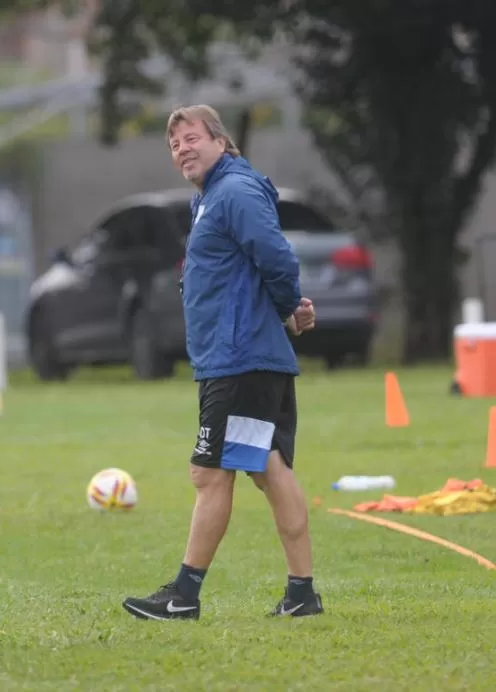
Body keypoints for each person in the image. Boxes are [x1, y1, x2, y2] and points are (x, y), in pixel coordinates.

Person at [122, 105, 323, 622]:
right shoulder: (211, 197)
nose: (182, 149)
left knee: (209, 473)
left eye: (191, 138)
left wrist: (285, 308)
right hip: (236, 357)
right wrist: (286, 312)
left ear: (219, 140)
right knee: (267, 470)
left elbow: (276, 257)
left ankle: (183, 596)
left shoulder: (234, 191)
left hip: (240, 361)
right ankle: (302, 594)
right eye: (174, 145)